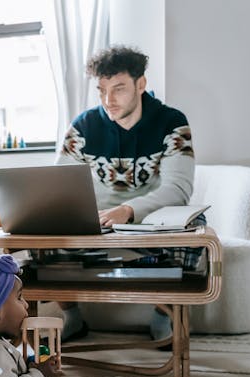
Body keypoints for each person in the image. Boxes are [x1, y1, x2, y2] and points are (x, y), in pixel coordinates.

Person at [55, 45, 196, 344]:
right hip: (97, 224)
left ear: (141, 84)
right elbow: (58, 184)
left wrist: (128, 210)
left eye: (118, 88)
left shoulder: (172, 122)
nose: (108, 100)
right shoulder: (83, 126)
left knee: (195, 229)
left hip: (151, 223)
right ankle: (73, 317)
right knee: (44, 239)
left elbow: (178, 189)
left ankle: (163, 316)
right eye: (102, 90)